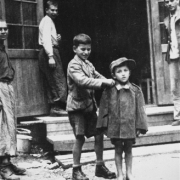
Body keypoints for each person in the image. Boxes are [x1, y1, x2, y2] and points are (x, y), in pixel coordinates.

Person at [66, 34, 116, 180]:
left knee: (99, 134)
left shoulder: (88, 64)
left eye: (88, 49)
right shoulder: (73, 65)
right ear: (74, 49)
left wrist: (109, 80)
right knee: (80, 138)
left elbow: (96, 75)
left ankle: (100, 166)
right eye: (83, 49)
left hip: (89, 107)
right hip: (77, 109)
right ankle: (76, 170)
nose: (86, 52)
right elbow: (83, 81)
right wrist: (104, 83)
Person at [97, 57, 148, 180]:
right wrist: (104, 125)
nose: (123, 74)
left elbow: (140, 110)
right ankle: (120, 174)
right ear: (113, 75)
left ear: (129, 72)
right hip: (115, 126)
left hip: (130, 125)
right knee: (118, 149)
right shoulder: (109, 91)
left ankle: (129, 174)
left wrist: (140, 126)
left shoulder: (136, 90)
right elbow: (103, 108)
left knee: (129, 149)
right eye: (119, 71)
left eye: (125, 70)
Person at [0, 19, 26, 180]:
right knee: (2, 126)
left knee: (10, 124)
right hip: (0, 88)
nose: (3, 32)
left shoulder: (2, 49)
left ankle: (8, 162)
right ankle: (3, 167)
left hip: (7, 87)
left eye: (5, 29)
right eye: (0, 29)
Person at [39, 0, 67, 116]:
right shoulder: (47, 21)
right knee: (57, 78)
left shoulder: (49, 21)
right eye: (52, 10)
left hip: (51, 49)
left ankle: (56, 107)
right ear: (46, 10)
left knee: (54, 78)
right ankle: (56, 107)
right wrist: (50, 56)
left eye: (56, 10)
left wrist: (56, 39)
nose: (55, 12)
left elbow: (49, 38)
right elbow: (45, 39)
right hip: (49, 52)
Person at [164, 0, 180, 126]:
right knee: (175, 87)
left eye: (172, 0)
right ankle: (178, 116)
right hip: (173, 56)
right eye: (167, 1)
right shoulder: (166, 20)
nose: (169, 3)